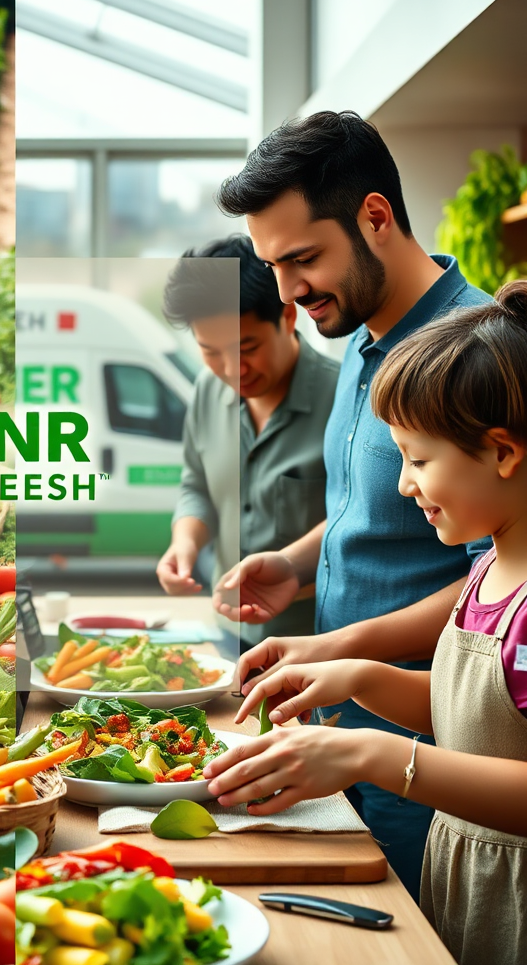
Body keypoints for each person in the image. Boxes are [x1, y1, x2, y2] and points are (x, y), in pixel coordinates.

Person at [209, 110, 491, 893]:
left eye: (303, 259)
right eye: (274, 268)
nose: (290, 294)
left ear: (375, 216)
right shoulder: (366, 343)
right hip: (341, 728)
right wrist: (296, 565)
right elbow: (383, 505)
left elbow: (492, 579)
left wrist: (342, 650)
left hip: (428, 749)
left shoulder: (466, 355)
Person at [205, 283, 527, 965]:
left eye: (418, 460)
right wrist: (356, 679)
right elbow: (475, 717)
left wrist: (376, 755)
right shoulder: (485, 573)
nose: (406, 486)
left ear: (502, 452)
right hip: (468, 890)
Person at [156, 235, 339, 645]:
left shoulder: (345, 400)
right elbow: (197, 484)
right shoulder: (206, 390)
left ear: (289, 317)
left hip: (313, 641)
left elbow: (358, 517)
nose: (230, 369)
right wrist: (184, 542)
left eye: (246, 348)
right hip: (228, 632)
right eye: (210, 352)